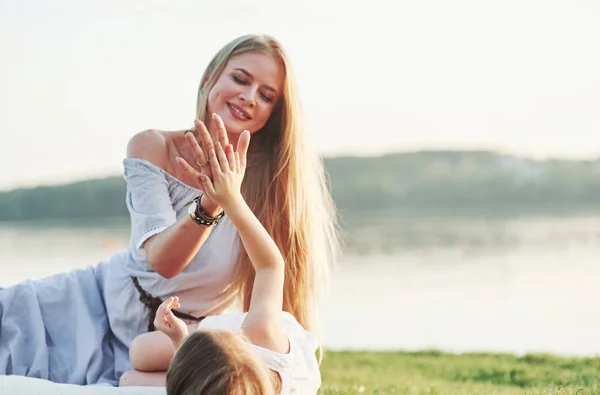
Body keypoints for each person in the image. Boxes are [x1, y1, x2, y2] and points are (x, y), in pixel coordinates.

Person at [0, 34, 337, 386]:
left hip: (175, 340)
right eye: (240, 79)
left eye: (266, 96)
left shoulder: (269, 183)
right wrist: (212, 200)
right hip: (96, 304)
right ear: (211, 77)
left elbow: (271, 286)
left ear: (273, 113)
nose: (248, 97)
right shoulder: (152, 146)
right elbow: (163, 261)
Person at [120, 140, 321, 394]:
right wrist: (230, 199)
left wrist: (179, 338)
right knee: (141, 352)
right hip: (259, 351)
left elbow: (206, 374)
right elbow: (270, 266)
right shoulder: (262, 334)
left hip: (231, 369)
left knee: (129, 378)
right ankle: (199, 350)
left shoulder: (225, 379)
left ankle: (190, 354)